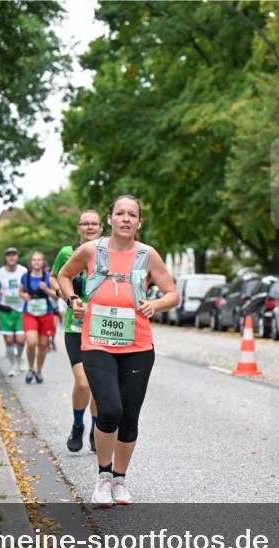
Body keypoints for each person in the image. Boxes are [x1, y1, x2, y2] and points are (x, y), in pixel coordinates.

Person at [58, 195, 178, 506]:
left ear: (139, 222)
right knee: (109, 408)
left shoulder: (147, 255)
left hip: (137, 345)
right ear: (110, 219)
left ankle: (121, 480)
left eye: (132, 215)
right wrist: (73, 300)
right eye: (120, 213)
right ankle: (103, 476)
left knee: (129, 416)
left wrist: (157, 303)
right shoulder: (91, 250)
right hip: (97, 342)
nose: (126, 219)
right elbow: (64, 276)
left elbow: (172, 293)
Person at [51, 210, 103, 453]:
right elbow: (55, 277)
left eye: (94, 223)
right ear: (78, 228)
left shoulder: (108, 253)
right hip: (76, 325)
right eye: (85, 223)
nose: (90, 227)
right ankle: (77, 425)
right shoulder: (67, 252)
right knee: (83, 383)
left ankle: (95, 429)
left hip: (102, 326)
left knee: (98, 384)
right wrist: (68, 297)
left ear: (102, 227)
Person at [0, 248, 28, 377]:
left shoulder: (24, 271)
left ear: (17, 257)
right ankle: (13, 365)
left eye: (13, 255)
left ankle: (20, 358)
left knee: (21, 340)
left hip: (21, 309)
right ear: (5, 258)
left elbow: (29, 286)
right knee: (9, 341)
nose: (11, 257)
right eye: (8, 255)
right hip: (5, 310)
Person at [20, 251, 56, 384]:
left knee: (43, 345)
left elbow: (55, 295)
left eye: (39, 260)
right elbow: (20, 291)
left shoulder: (49, 277)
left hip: (46, 313)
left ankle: (39, 371)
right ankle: (31, 368)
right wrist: (23, 296)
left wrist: (46, 289)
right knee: (31, 342)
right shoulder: (25, 277)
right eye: (34, 260)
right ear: (31, 262)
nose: (36, 262)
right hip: (29, 313)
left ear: (43, 262)